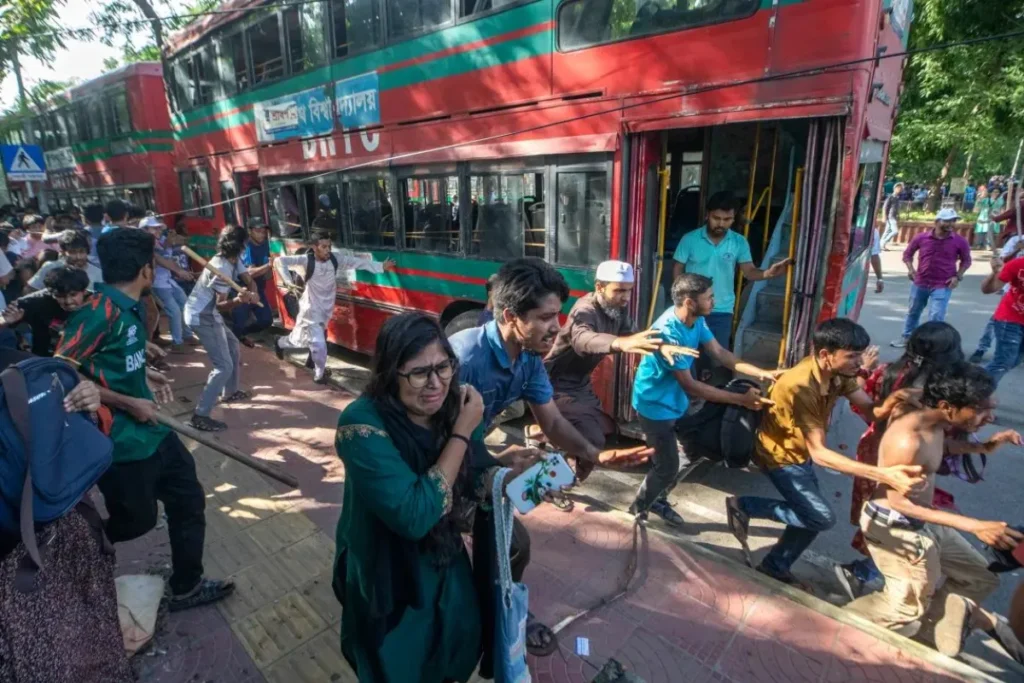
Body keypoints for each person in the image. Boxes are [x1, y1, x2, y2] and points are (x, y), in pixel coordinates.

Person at [333, 312, 556, 682]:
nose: (435, 384)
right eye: (419, 373)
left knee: (458, 635)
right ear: (390, 373)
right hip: (384, 561)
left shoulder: (454, 403)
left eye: (444, 367)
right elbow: (415, 515)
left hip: (442, 551)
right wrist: (461, 432)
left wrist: (510, 473)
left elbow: (472, 474)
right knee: (398, 656)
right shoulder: (361, 426)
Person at [54, 227, 235, 611]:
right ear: (147, 271)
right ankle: (65, 552)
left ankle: (186, 586)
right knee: (135, 523)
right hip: (120, 443)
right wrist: (127, 400)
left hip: (154, 432)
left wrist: (142, 372)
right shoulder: (95, 313)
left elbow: (110, 359)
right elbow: (59, 374)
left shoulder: (127, 307)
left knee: (188, 500)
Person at [449, 256, 600, 654]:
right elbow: (440, 442)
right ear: (512, 316)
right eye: (547, 317)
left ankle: (500, 603)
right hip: (439, 469)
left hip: (475, 459)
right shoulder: (462, 359)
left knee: (513, 531)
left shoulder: (530, 359)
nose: (558, 327)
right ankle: (487, 612)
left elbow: (550, 421)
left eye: (560, 315)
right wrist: (501, 466)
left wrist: (589, 452)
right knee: (505, 546)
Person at [726, 318, 926, 587]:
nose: (859, 363)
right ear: (825, 355)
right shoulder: (802, 386)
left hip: (800, 454)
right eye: (853, 356)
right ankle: (744, 505)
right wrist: (883, 474)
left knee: (811, 516)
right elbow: (820, 453)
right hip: (780, 456)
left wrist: (895, 400)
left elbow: (869, 410)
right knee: (819, 517)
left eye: (860, 355)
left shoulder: (838, 375)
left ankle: (775, 565)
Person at [845, 363, 1024, 663]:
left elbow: (941, 449)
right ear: (947, 407)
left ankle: (928, 637)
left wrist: (985, 448)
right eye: (981, 410)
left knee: (980, 578)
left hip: (923, 520)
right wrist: (973, 525)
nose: (989, 418)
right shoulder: (908, 439)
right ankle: (835, 626)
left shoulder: (935, 418)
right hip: (893, 526)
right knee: (904, 608)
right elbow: (900, 502)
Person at [836, 322, 975, 599]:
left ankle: (868, 570)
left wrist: (865, 370)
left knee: (883, 514)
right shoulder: (945, 392)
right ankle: (868, 572)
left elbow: (862, 405)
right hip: (909, 460)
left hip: (874, 450)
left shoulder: (890, 373)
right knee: (899, 519)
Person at [631, 273, 778, 526]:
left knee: (694, 450)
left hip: (679, 400)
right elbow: (691, 385)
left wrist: (761, 372)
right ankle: (639, 508)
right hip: (655, 407)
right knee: (666, 466)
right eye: (709, 297)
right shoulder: (668, 331)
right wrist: (739, 399)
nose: (714, 301)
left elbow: (719, 352)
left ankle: (658, 496)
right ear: (689, 302)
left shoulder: (695, 320)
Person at [543, 260, 679, 477]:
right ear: (599, 287)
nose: (625, 297)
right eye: (619, 291)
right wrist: (620, 343)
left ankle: (541, 435)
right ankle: (559, 482)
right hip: (553, 383)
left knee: (604, 429)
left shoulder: (618, 311)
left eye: (628, 291)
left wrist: (662, 347)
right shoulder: (585, 309)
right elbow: (582, 338)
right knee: (592, 440)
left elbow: (635, 335)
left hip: (580, 384)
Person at [671, 192, 792, 354]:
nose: (721, 223)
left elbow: (749, 272)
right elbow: (678, 268)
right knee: (686, 355)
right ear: (707, 215)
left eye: (727, 220)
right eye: (716, 218)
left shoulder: (739, 242)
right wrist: (679, 300)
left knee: (716, 358)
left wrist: (768, 273)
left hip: (722, 310)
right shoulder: (689, 239)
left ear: (734, 219)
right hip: (692, 308)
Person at [274, 230, 394, 384]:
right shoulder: (305, 260)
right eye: (323, 247)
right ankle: (319, 374)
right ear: (314, 247)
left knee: (299, 340)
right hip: (310, 309)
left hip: (326, 309)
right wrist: (287, 281)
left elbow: (357, 262)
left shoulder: (335, 259)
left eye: (329, 246)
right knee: (318, 342)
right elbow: (279, 262)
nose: (327, 250)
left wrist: (381, 266)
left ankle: (279, 342)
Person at [183, 231, 259, 432]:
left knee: (233, 345)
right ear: (241, 246)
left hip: (208, 314)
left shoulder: (234, 259)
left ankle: (230, 391)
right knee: (223, 365)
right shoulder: (221, 267)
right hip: (203, 316)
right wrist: (239, 300)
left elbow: (247, 278)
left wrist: (252, 291)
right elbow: (221, 306)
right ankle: (200, 415)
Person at [891, 208, 971, 348]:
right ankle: (907, 338)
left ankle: (932, 344)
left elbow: (966, 261)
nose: (951, 224)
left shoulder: (959, 241)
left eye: (953, 221)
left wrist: (958, 277)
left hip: (943, 284)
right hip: (921, 282)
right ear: (937, 222)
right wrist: (911, 270)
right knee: (913, 311)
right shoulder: (921, 238)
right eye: (947, 221)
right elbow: (907, 254)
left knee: (936, 316)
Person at [1, 266, 91, 356]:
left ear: (84, 291)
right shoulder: (34, 302)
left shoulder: (98, 303)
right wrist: (6, 321)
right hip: (45, 361)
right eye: (60, 296)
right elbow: (3, 319)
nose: (68, 301)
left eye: (73, 295)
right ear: (51, 293)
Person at [139, 216, 197, 354]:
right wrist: (179, 271)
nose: (158, 230)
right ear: (145, 230)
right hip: (158, 284)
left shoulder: (158, 242)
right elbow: (160, 260)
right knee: (175, 311)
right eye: (154, 228)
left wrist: (170, 243)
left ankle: (187, 335)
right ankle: (177, 343)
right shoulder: (146, 244)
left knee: (185, 304)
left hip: (168, 282)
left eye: (159, 227)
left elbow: (168, 256)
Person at [231, 218, 274, 346]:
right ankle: (236, 340)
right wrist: (268, 266)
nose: (262, 234)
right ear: (250, 231)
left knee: (266, 320)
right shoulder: (247, 247)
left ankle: (243, 334)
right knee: (239, 320)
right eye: (258, 231)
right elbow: (248, 273)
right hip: (243, 290)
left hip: (258, 288)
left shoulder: (266, 244)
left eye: (263, 231)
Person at [25, 228, 103, 294]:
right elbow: (29, 290)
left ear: (88, 251)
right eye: (72, 252)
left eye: (82, 252)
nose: (78, 257)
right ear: (63, 252)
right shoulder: (50, 267)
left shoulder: (98, 273)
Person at [975, 187, 1004, 251]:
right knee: (981, 231)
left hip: (993, 217)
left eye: (997, 192)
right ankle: (979, 244)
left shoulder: (1000, 200)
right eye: (994, 192)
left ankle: (988, 245)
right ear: (991, 193)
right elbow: (978, 204)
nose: (996, 193)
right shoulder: (986, 200)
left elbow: (1000, 208)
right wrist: (979, 197)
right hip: (983, 217)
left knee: (990, 231)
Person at [879, 182, 904, 250]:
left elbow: (896, 208)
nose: (901, 190)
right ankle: (883, 242)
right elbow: (884, 207)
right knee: (895, 231)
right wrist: (883, 217)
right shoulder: (890, 197)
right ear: (895, 188)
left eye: (901, 188)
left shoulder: (897, 198)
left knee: (887, 232)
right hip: (890, 217)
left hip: (894, 216)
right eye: (899, 188)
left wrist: (898, 215)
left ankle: (881, 245)